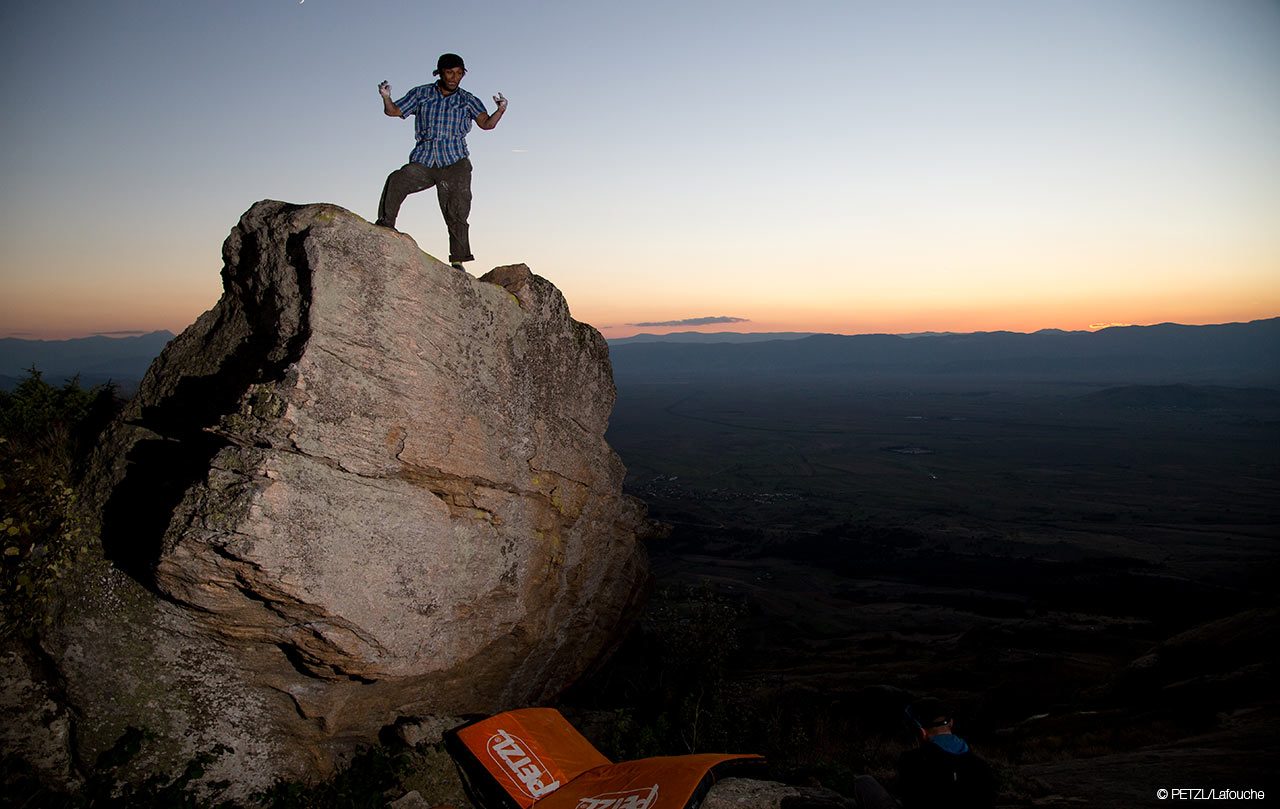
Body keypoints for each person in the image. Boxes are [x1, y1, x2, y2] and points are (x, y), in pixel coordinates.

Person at [376, 53, 508, 271]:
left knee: (457, 209)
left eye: (458, 73)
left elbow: (486, 124)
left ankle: (458, 260)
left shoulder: (467, 99)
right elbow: (394, 111)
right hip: (425, 160)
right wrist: (386, 97)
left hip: (455, 162)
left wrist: (500, 110)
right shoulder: (422, 93)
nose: (454, 78)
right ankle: (386, 224)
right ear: (440, 73)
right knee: (397, 179)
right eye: (449, 73)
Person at [894, 698, 995, 808]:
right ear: (951, 723)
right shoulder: (980, 765)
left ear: (921, 729)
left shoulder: (911, 761)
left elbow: (909, 801)